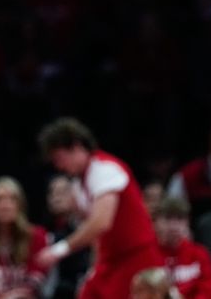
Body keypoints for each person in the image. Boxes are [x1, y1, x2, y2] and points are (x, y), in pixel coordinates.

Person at [35, 117, 165, 299]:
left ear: (76, 147)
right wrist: (95, 267)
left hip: (137, 258)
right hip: (110, 261)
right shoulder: (79, 185)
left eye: (60, 158)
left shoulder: (104, 169)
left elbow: (101, 222)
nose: (59, 166)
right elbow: (97, 235)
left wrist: (59, 250)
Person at [0, 176, 51, 298]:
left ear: (20, 205)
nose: (5, 206)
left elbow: (36, 281)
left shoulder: (36, 236)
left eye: (12, 199)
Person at [153, 198, 211, 299]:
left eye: (180, 219)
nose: (173, 227)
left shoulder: (200, 254)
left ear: (187, 223)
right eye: (167, 218)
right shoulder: (147, 255)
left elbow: (208, 293)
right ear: (155, 222)